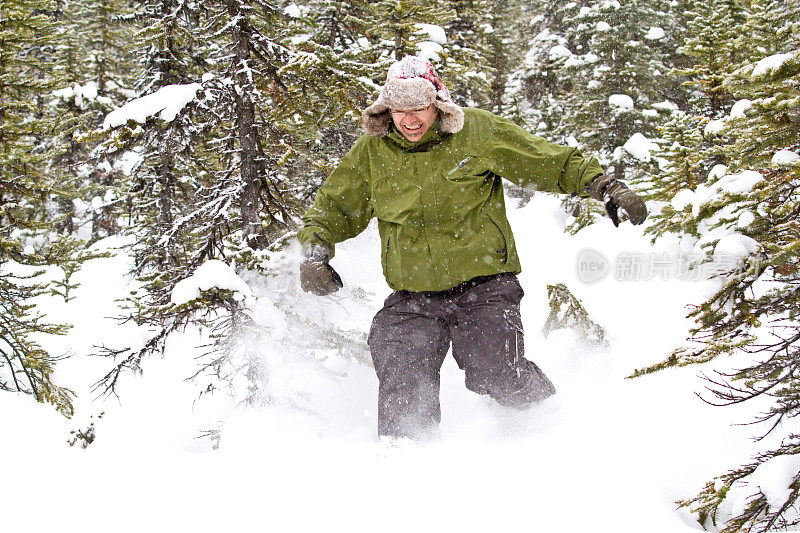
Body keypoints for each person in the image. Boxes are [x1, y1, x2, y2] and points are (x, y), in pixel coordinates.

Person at [297, 56, 647, 440]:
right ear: (386, 111)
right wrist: (315, 253)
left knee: (497, 372)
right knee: (401, 374)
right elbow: (334, 207)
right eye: (400, 111)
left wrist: (604, 185)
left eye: (420, 109)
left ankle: (548, 419)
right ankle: (408, 462)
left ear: (439, 105)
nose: (410, 121)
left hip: (484, 286)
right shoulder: (372, 152)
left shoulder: (476, 132)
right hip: (413, 295)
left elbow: (547, 161)